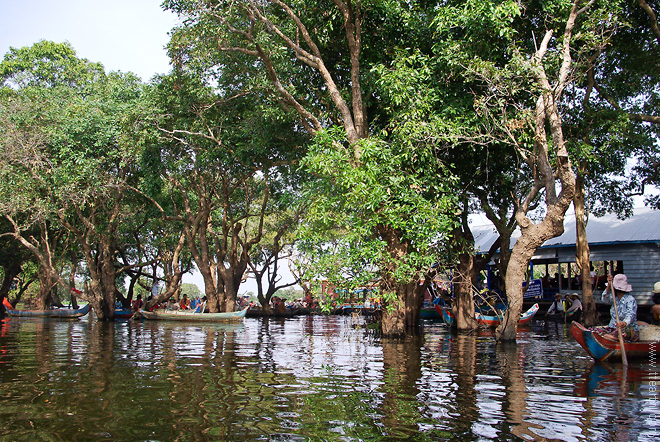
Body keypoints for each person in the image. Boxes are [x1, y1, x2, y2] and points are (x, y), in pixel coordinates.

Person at [593, 274, 639, 342]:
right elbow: (604, 299)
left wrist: (624, 323)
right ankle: (613, 338)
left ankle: (616, 339)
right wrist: (608, 286)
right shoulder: (614, 298)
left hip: (628, 329)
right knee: (593, 331)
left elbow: (631, 314)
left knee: (617, 335)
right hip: (613, 328)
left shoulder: (630, 299)